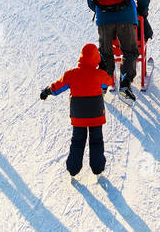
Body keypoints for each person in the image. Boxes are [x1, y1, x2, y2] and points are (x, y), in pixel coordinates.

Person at [40, 44, 113, 178]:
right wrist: (104, 68)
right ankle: (98, 168)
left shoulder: (71, 74)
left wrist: (47, 91)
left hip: (78, 115)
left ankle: (73, 169)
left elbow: (57, 88)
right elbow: (108, 82)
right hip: (96, 114)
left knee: (78, 141)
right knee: (96, 140)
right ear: (97, 59)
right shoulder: (100, 74)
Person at [86, 0, 150, 98]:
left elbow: (90, 2)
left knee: (105, 52)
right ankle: (125, 83)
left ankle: (103, 84)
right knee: (130, 51)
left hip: (104, 21)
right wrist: (142, 11)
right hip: (126, 18)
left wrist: (102, 11)